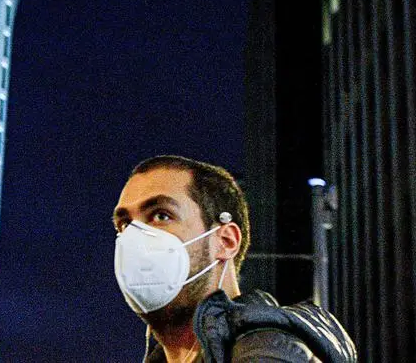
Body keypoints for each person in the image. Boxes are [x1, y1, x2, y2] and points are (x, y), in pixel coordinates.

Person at [112, 155, 356, 363]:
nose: (135, 238)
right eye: (125, 224)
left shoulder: (266, 352)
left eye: (161, 216)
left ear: (226, 241)